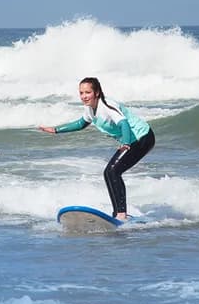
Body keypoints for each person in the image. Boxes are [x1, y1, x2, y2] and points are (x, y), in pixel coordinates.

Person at [39, 76, 155, 220]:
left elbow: (123, 123)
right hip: (132, 140)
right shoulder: (90, 108)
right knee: (110, 173)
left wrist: (125, 143)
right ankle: (118, 213)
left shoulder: (106, 105)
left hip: (142, 137)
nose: (84, 96)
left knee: (112, 172)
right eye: (81, 93)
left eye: (87, 92)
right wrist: (56, 129)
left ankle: (121, 214)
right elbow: (81, 123)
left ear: (97, 93)